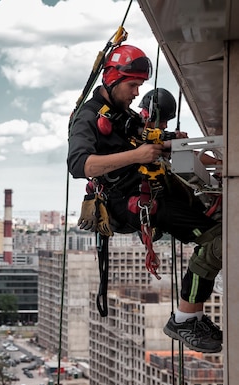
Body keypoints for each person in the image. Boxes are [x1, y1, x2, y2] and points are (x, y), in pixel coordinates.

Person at [67, 44, 223, 353]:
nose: (137, 92)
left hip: (151, 195)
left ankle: (190, 316)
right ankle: (184, 318)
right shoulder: (87, 117)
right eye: (133, 84)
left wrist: (174, 144)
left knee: (217, 224)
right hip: (133, 204)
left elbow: (151, 142)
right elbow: (79, 165)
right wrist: (137, 154)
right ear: (112, 78)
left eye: (140, 84)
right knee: (215, 239)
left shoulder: (121, 114)